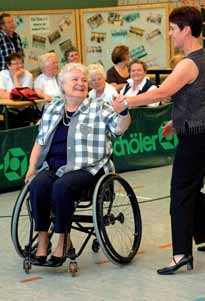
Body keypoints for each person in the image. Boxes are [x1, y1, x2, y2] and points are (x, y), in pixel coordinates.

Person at [113, 6, 205, 275]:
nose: (169, 33)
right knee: (190, 191)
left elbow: (162, 93)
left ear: (186, 30)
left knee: (180, 192)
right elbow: (198, 98)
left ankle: (180, 254)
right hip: (197, 131)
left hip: (196, 137)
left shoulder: (189, 63)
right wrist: (176, 121)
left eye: (173, 29)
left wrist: (126, 100)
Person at [25, 63, 131, 267]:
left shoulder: (99, 107)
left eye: (83, 80)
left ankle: (63, 241)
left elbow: (119, 129)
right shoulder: (53, 107)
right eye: (75, 80)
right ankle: (43, 239)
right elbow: (40, 140)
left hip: (88, 168)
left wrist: (123, 113)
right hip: (55, 166)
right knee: (38, 184)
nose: (81, 83)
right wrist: (32, 167)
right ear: (62, 84)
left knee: (61, 186)